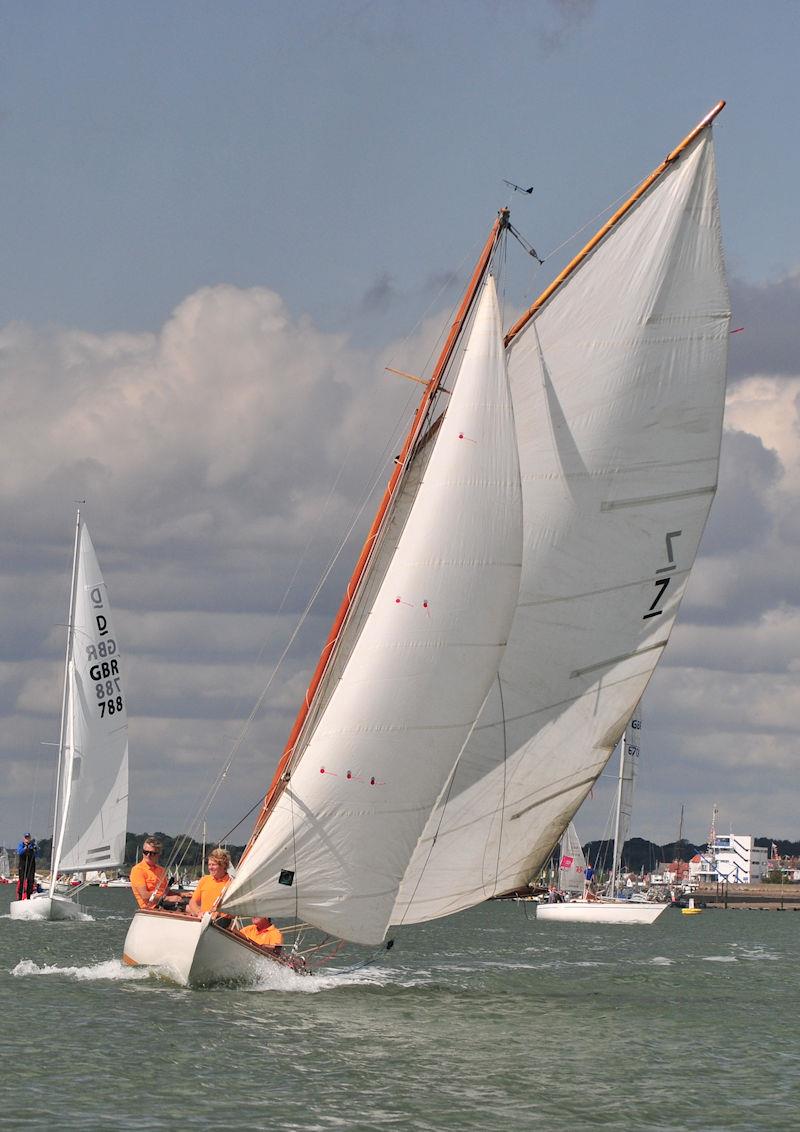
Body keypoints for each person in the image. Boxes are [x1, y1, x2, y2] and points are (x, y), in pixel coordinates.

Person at [129, 837, 185, 911]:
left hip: (165, 903)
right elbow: (145, 895)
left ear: (158, 854)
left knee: (194, 901)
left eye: (152, 853)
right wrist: (167, 898)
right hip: (152, 907)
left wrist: (182, 894)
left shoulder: (161, 870)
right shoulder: (138, 870)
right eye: (145, 852)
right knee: (189, 907)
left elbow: (165, 892)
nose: (148, 855)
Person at [186, 848, 232, 918]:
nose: (210, 867)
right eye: (209, 864)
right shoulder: (204, 880)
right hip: (203, 920)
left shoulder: (231, 883)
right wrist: (199, 912)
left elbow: (235, 911)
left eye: (213, 865)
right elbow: (193, 902)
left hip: (221, 924)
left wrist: (220, 914)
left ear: (223, 865)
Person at [16, 833, 37, 900]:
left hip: (31, 866)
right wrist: (25, 848)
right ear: (24, 838)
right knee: (22, 881)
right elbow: (19, 852)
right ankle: (20, 897)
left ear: (30, 838)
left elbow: (37, 855)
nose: (27, 839)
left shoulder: (33, 845)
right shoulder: (21, 845)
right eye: (26, 838)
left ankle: (29, 897)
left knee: (30, 881)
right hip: (23, 866)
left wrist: (35, 849)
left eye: (28, 838)